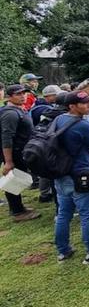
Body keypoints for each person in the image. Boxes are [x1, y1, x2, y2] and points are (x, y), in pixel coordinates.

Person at [55, 90, 89, 263]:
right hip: (81, 175)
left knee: (64, 214)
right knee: (88, 215)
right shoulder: (83, 125)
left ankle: (63, 251)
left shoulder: (59, 119)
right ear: (72, 106)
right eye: (84, 103)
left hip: (61, 173)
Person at [0, 84, 40, 222]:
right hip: (15, 152)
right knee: (14, 180)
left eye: (24, 93)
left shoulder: (19, 109)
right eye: (19, 94)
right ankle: (17, 211)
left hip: (22, 150)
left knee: (19, 178)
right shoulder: (10, 113)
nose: (23, 96)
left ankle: (19, 207)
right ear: (10, 96)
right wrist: (8, 161)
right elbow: (7, 137)